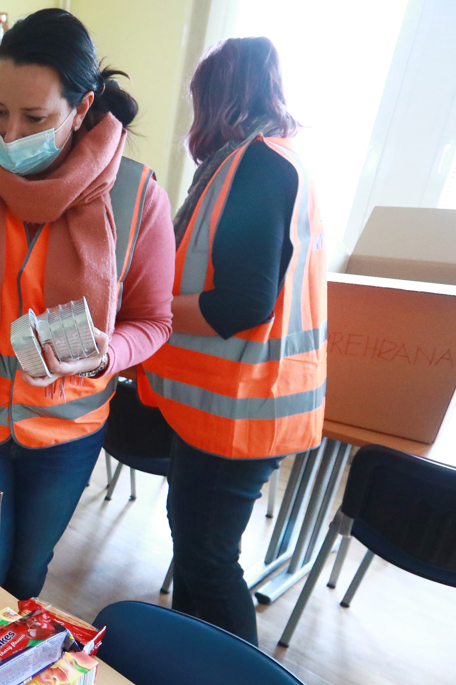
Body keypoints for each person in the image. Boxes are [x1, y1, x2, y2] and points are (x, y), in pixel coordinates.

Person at [0, 8, 174, 600]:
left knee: (24, 574)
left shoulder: (136, 196)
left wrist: (109, 351)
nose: (10, 135)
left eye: (35, 117)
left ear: (82, 107)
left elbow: (154, 320)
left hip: (65, 430)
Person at [137, 37, 327, 645]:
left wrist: (151, 312)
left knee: (209, 559)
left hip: (242, 407)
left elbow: (244, 302)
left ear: (219, 98)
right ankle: (196, 665)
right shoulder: (261, 163)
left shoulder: (257, 168)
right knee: (197, 547)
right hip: (225, 405)